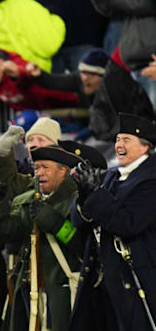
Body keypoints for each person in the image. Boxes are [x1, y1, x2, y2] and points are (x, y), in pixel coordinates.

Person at [0, 146, 86, 331]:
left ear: (63, 170)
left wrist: (52, 221)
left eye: (45, 167)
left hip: (63, 293)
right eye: (36, 168)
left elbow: (81, 243)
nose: (39, 173)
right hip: (29, 289)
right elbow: (7, 233)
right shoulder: (30, 200)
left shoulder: (77, 199)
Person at [73, 113, 156, 331]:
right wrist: (83, 195)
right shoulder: (110, 176)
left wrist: (96, 193)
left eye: (126, 140)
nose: (119, 144)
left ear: (145, 147)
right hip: (103, 283)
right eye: (118, 139)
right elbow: (78, 222)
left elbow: (128, 223)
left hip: (138, 282)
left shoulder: (152, 180)